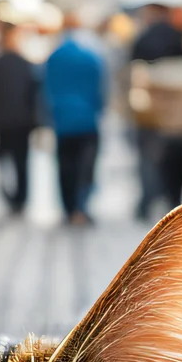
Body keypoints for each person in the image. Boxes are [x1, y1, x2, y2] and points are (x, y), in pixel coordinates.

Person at [44, 14, 108, 226]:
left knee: (65, 166)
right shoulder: (90, 57)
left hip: (62, 120)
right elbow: (100, 89)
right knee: (85, 166)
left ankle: (69, 207)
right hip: (87, 119)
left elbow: (46, 89)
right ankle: (81, 207)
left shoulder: (54, 57)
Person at [128, 0, 182, 220]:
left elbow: (133, 71)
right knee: (175, 158)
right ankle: (173, 201)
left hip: (151, 110)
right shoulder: (178, 36)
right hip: (176, 113)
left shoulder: (142, 38)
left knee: (148, 158)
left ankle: (148, 201)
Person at [0, 25, 41, 214]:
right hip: (19, 121)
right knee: (19, 162)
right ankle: (18, 198)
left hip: (5, 121)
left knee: (6, 160)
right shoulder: (24, 65)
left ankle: (15, 197)